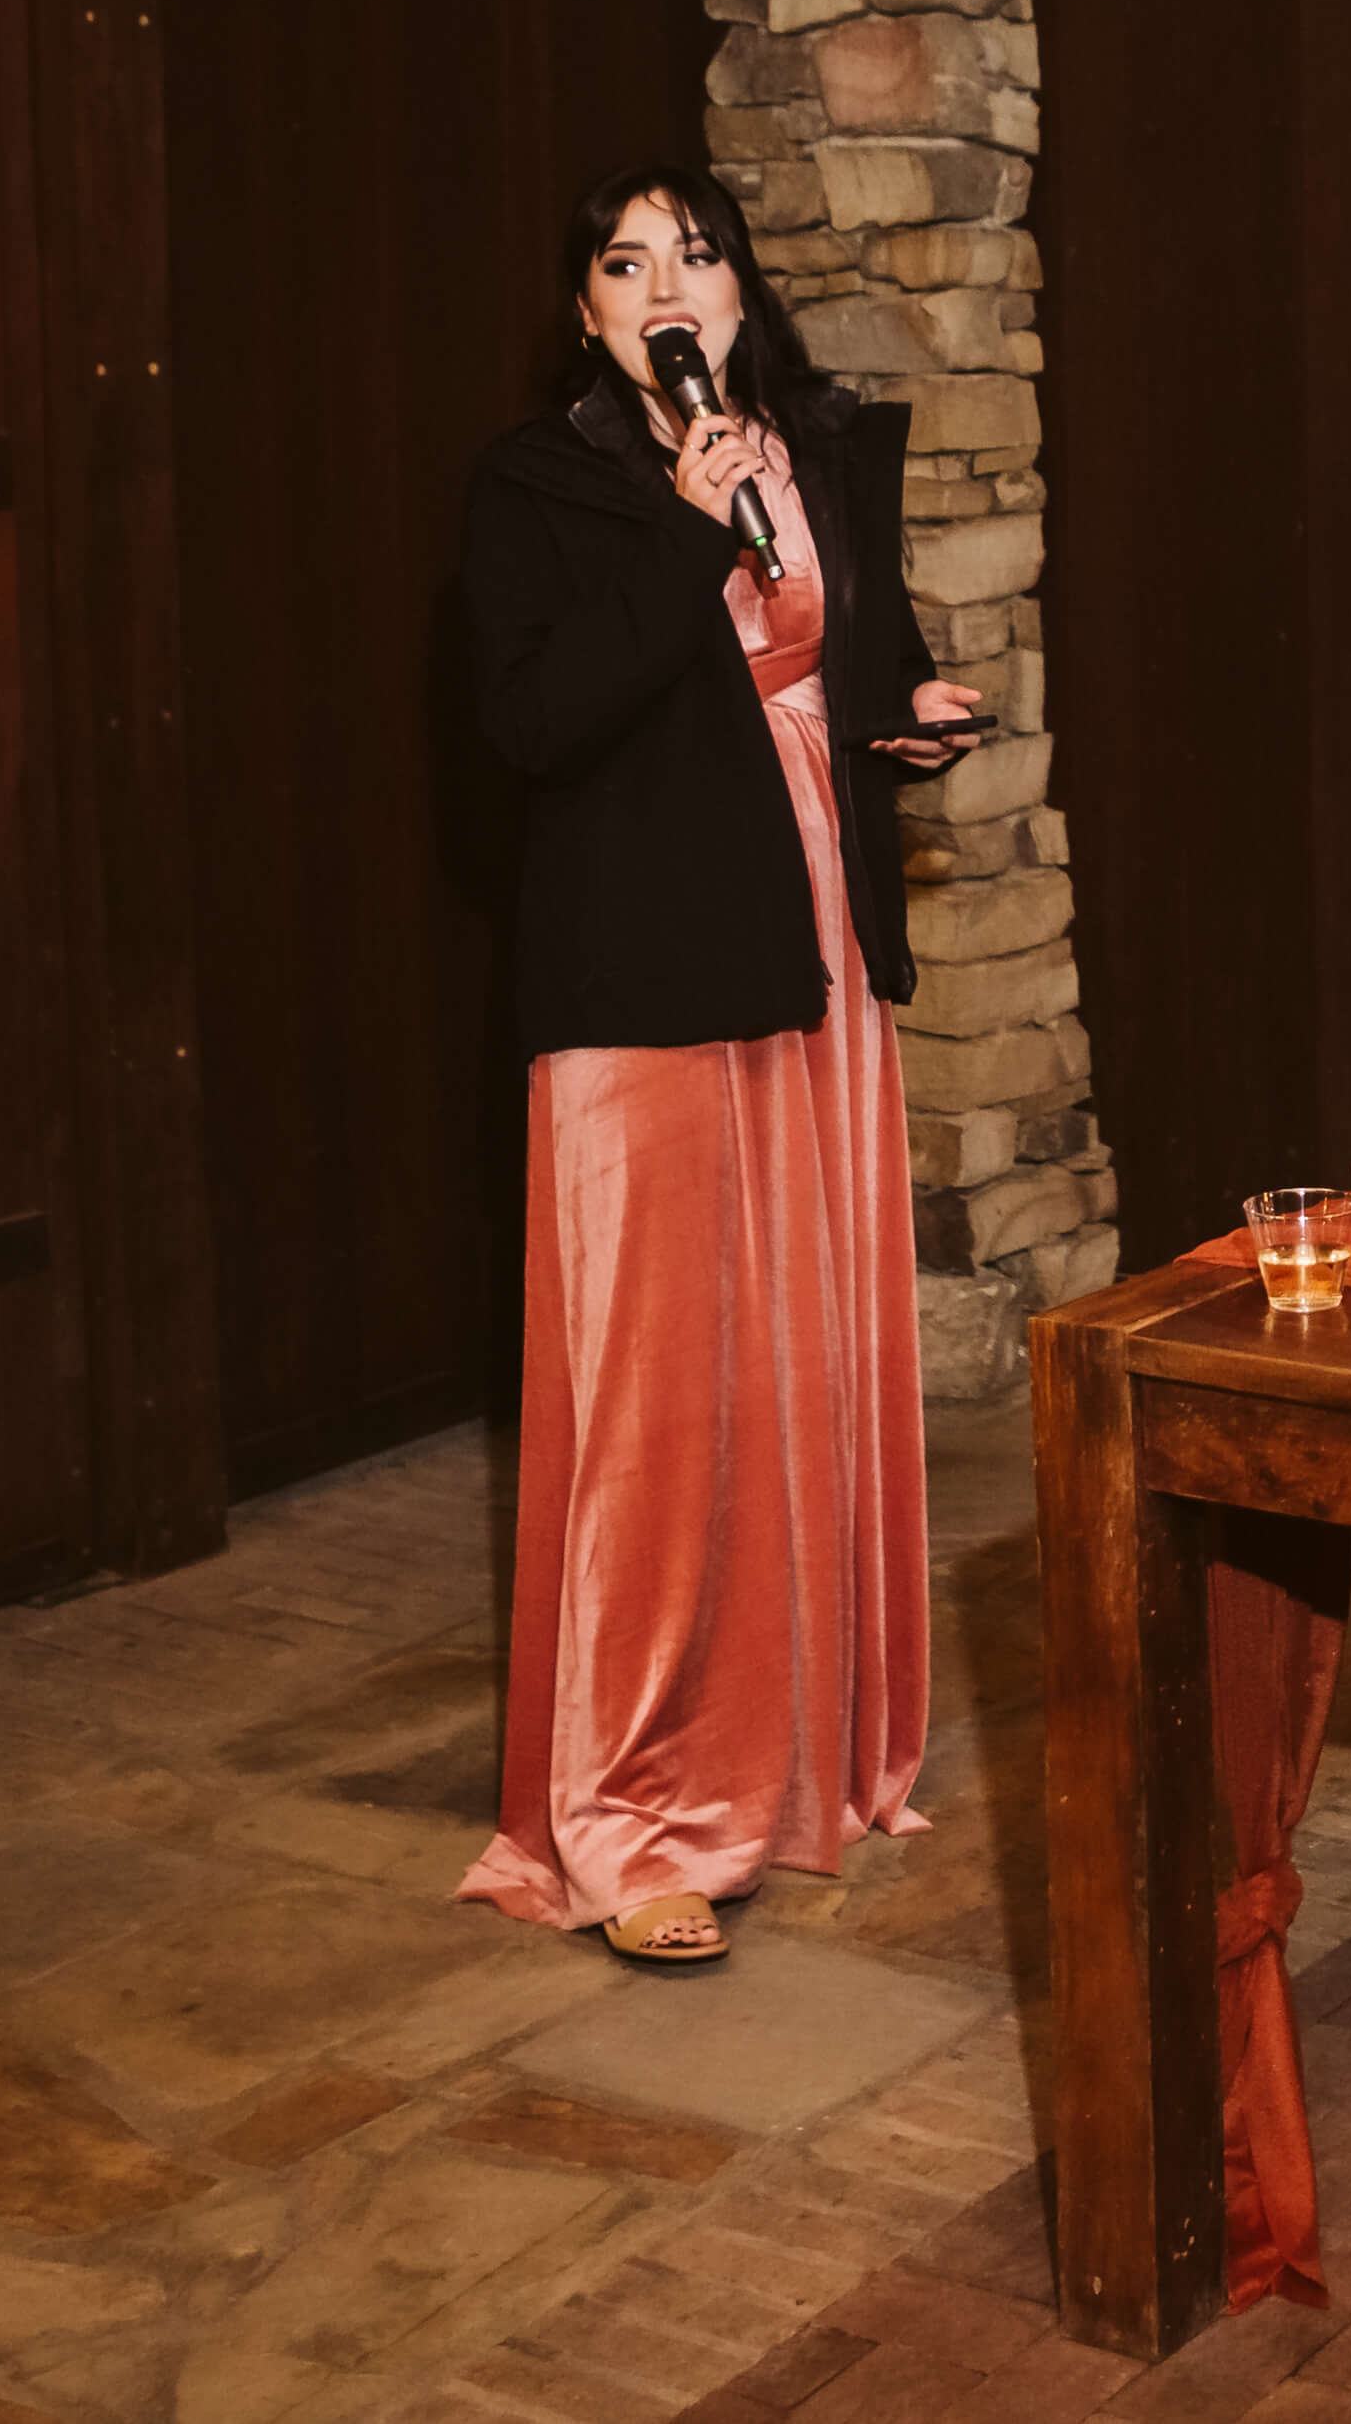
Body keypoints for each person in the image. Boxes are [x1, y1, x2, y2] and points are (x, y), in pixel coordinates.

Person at [453, 164, 982, 1966]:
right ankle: (635, 1818)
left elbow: (844, 665)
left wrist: (906, 725)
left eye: (695, 252)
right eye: (626, 259)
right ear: (588, 312)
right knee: (658, 1403)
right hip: (643, 969)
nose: (667, 280)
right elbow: (537, 724)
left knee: (803, 1365)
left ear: (740, 293)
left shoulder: (814, 450)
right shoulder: (539, 485)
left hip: (813, 944)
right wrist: (685, 532)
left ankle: (801, 1761)